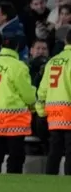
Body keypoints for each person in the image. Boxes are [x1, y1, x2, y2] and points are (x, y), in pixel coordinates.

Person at [0, 35, 36, 174]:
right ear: (17, 47)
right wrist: (32, 104)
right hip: (14, 114)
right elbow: (26, 92)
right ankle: (13, 181)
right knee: (16, 153)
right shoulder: (18, 66)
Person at [36, 29, 71, 175]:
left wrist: (42, 111)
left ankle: (49, 182)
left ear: (66, 41)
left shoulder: (53, 61)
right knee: (70, 152)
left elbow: (42, 90)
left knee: (54, 151)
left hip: (54, 114)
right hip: (69, 113)